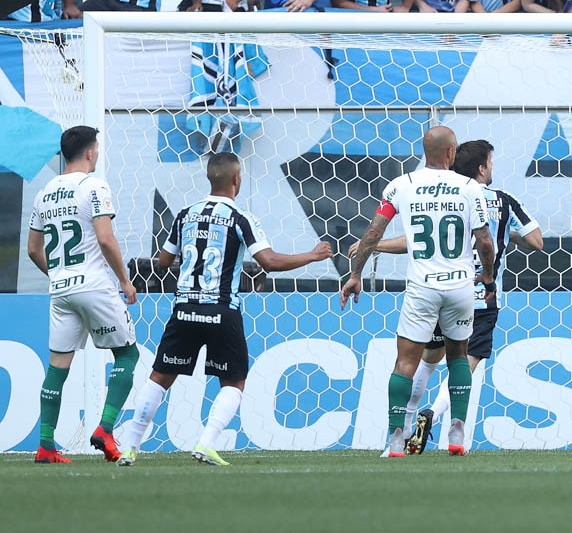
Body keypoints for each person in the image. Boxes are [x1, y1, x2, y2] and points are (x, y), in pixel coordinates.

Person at [116, 151, 332, 466]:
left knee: (160, 377)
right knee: (234, 382)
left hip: (185, 308)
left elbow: (163, 262)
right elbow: (268, 262)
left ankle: (131, 447)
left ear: (209, 177)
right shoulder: (239, 217)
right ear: (236, 178)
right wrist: (311, 256)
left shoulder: (185, 214)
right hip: (221, 310)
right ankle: (206, 443)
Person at [366, 139, 543, 455]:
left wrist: (373, 247)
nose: (491, 168)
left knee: (426, 359)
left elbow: (414, 240)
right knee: (465, 362)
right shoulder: (501, 200)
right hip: (478, 295)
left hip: (434, 290)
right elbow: (535, 241)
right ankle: (436, 415)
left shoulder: (444, 195)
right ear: (481, 167)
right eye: (490, 162)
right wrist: (505, 234)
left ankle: (400, 430)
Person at [342, 125, 496, 457]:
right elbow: (485, 241)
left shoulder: (401, 186)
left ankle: (397, 437)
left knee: (406, 363)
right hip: (459, 287)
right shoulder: (470, 188)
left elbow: (373, 232)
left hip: (422, 288)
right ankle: (457, 432)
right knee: (458, 358)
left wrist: (356, 274)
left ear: (425, 151)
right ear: (452, 152)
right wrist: (488, 276)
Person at [26, 125, 138, 465]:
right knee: (127, 356)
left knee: (57, 368)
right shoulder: (94, 186)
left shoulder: (43, 193)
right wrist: (125, 281)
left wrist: (60, 275)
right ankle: (105, 429)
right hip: (94, 286)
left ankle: (45, 445)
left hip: (60, 290)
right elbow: (105, 239)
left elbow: (33, 250)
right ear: (90, 152)